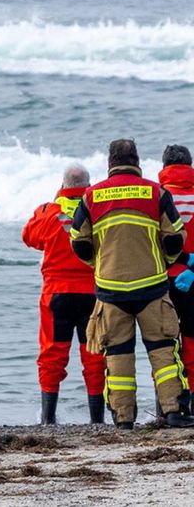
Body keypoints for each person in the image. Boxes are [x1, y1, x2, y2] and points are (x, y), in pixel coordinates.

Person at [71, 139, 193, 428]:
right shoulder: (155, 192)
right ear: (137, 161)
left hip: (110, 289)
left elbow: (78, 242)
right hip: (152, 287)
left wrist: (99, 265)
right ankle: (174, 411)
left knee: (117, 355)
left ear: (109, 163)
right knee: (164, 350)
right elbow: (175, 237)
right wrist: (164, 261)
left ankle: (123, 419)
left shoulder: (91, 197)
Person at [22, 164, 104, 424]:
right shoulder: (99, 211)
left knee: (51, 356)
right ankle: (97, 420)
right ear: (89, 184)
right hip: (92, 294)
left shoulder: (48, 212)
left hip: (57, 295)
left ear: (63, 184)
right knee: (94, 356)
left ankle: (48, 418)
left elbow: (29, 237)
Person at [159, 144, 194, 413]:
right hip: (193, 279)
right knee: (192, 341)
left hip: (163, 279)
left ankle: (167, 405)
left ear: (164, 168)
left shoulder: (156, 196)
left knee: (164, 344)